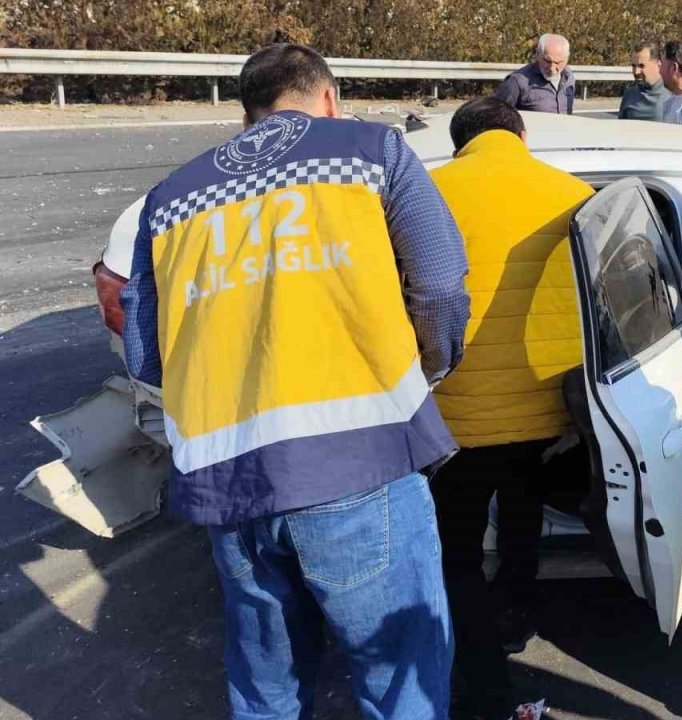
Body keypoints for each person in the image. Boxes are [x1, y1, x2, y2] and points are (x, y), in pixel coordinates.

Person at [120, 44, 469, 719]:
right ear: (329, 98)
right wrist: (430, 365)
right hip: (358, 463)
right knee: (402, 687)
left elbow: (143, 350)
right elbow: (439, 284)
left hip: (229, 482)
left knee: (266, 691)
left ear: (246, 113)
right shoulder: (371, 152)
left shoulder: (169, 199)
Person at [427, 96, 594, 720]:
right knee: (524, 513)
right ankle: (516, 612)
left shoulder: (428, 193)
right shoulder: (572, 193)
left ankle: (476, 658)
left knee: (460, 547)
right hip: (547, 410)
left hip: (456, 416)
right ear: (519, 135)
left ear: (459, 142)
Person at [494, 33, 575, 114]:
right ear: (538, 54)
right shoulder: (517, 81)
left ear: (567, 58)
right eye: (547, 61)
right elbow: (497, 115)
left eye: (558, 63)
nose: (552, 68)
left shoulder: (569, 78)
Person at [619, 41, 670, 121]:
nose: (636, 72)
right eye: (633, 66)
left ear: (659, 65)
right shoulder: (630, 94)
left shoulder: (672, 95)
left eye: (641, 66)